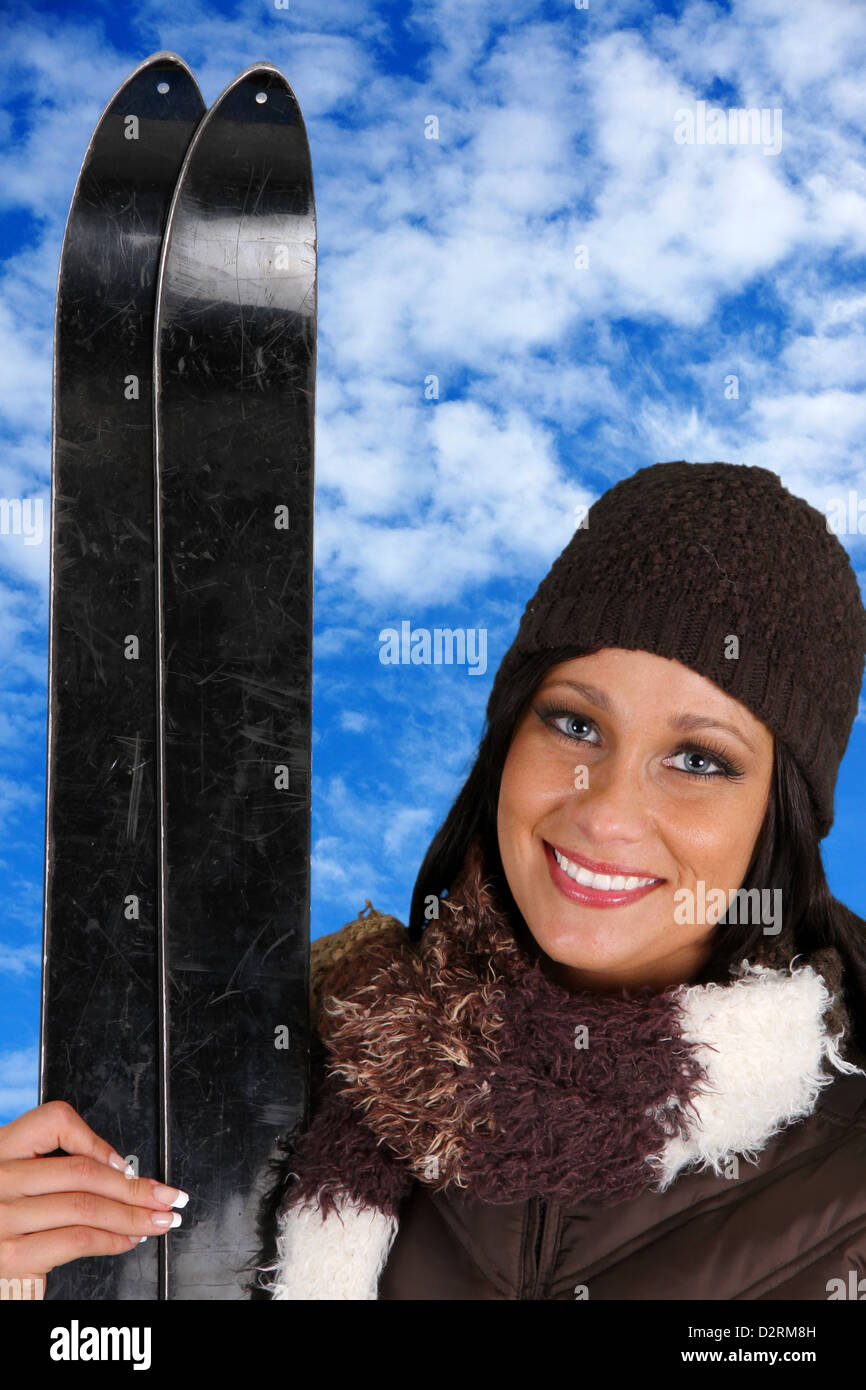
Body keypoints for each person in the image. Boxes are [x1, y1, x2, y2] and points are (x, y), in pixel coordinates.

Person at [2, 459, 865, 1301]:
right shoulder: (283, 1058)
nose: (606, 812)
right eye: (573, 721)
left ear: (779, 814)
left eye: (699, 758)